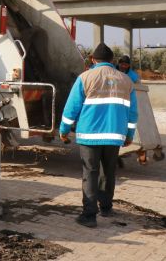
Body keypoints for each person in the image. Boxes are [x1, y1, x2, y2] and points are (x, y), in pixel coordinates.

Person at [59, 43, 138, 228]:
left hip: (89, 135)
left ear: (93, 60)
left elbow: (71, 108)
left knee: (90, 173)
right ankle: (106, 207)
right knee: (108, 172)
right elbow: (133, 113)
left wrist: (64, 130)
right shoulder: (126, 81)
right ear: (112, 61)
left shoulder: (85, 77)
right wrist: (129, 134)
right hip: (114, 136)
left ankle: (89, 216)